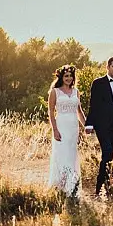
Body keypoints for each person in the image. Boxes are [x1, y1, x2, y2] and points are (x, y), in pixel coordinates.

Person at [84, 56, 113, 197]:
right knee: (107, 151)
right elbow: (93, 104)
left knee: (109, 156)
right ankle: (99, 187)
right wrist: (89, 123)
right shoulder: (98, 83)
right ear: (107, 67)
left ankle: (105, 187)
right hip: (101, 125)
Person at [46, 64, 86, 198]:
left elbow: (79, 111)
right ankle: (60, 186)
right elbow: (51, 112)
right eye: (66, 76)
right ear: (61, 77)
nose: (68, 78)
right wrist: (55, 130)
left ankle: (71, 186)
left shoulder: (76, 91)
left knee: (71, 155)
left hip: (73, 127)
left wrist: (86, 126)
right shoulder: (55, 91)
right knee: (61, 154)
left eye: (70, 76)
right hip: (61, 125)